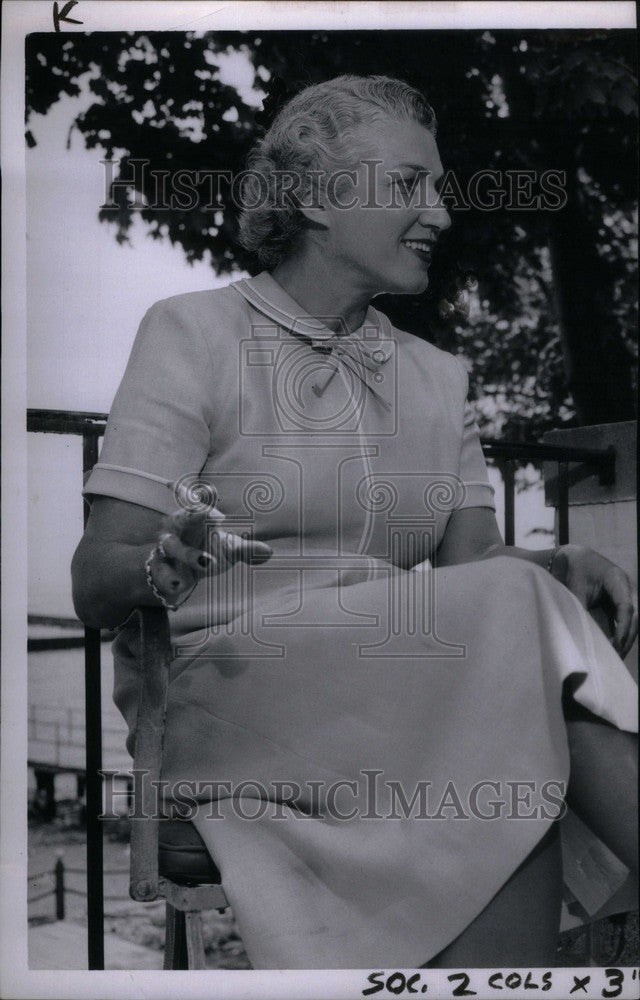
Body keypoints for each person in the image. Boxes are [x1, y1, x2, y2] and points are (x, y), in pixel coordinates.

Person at [71, 75, 638, 970]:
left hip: (398, 682)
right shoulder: (192, 333)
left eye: (440, 188)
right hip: (228, 688)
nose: (441, 214)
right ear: (315, 198)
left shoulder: (438, 377)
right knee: (518, 692)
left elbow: (474, 571)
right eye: (410, 183)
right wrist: (167, 563)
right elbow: (97, 579)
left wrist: (559, 562)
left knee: (516, 708)